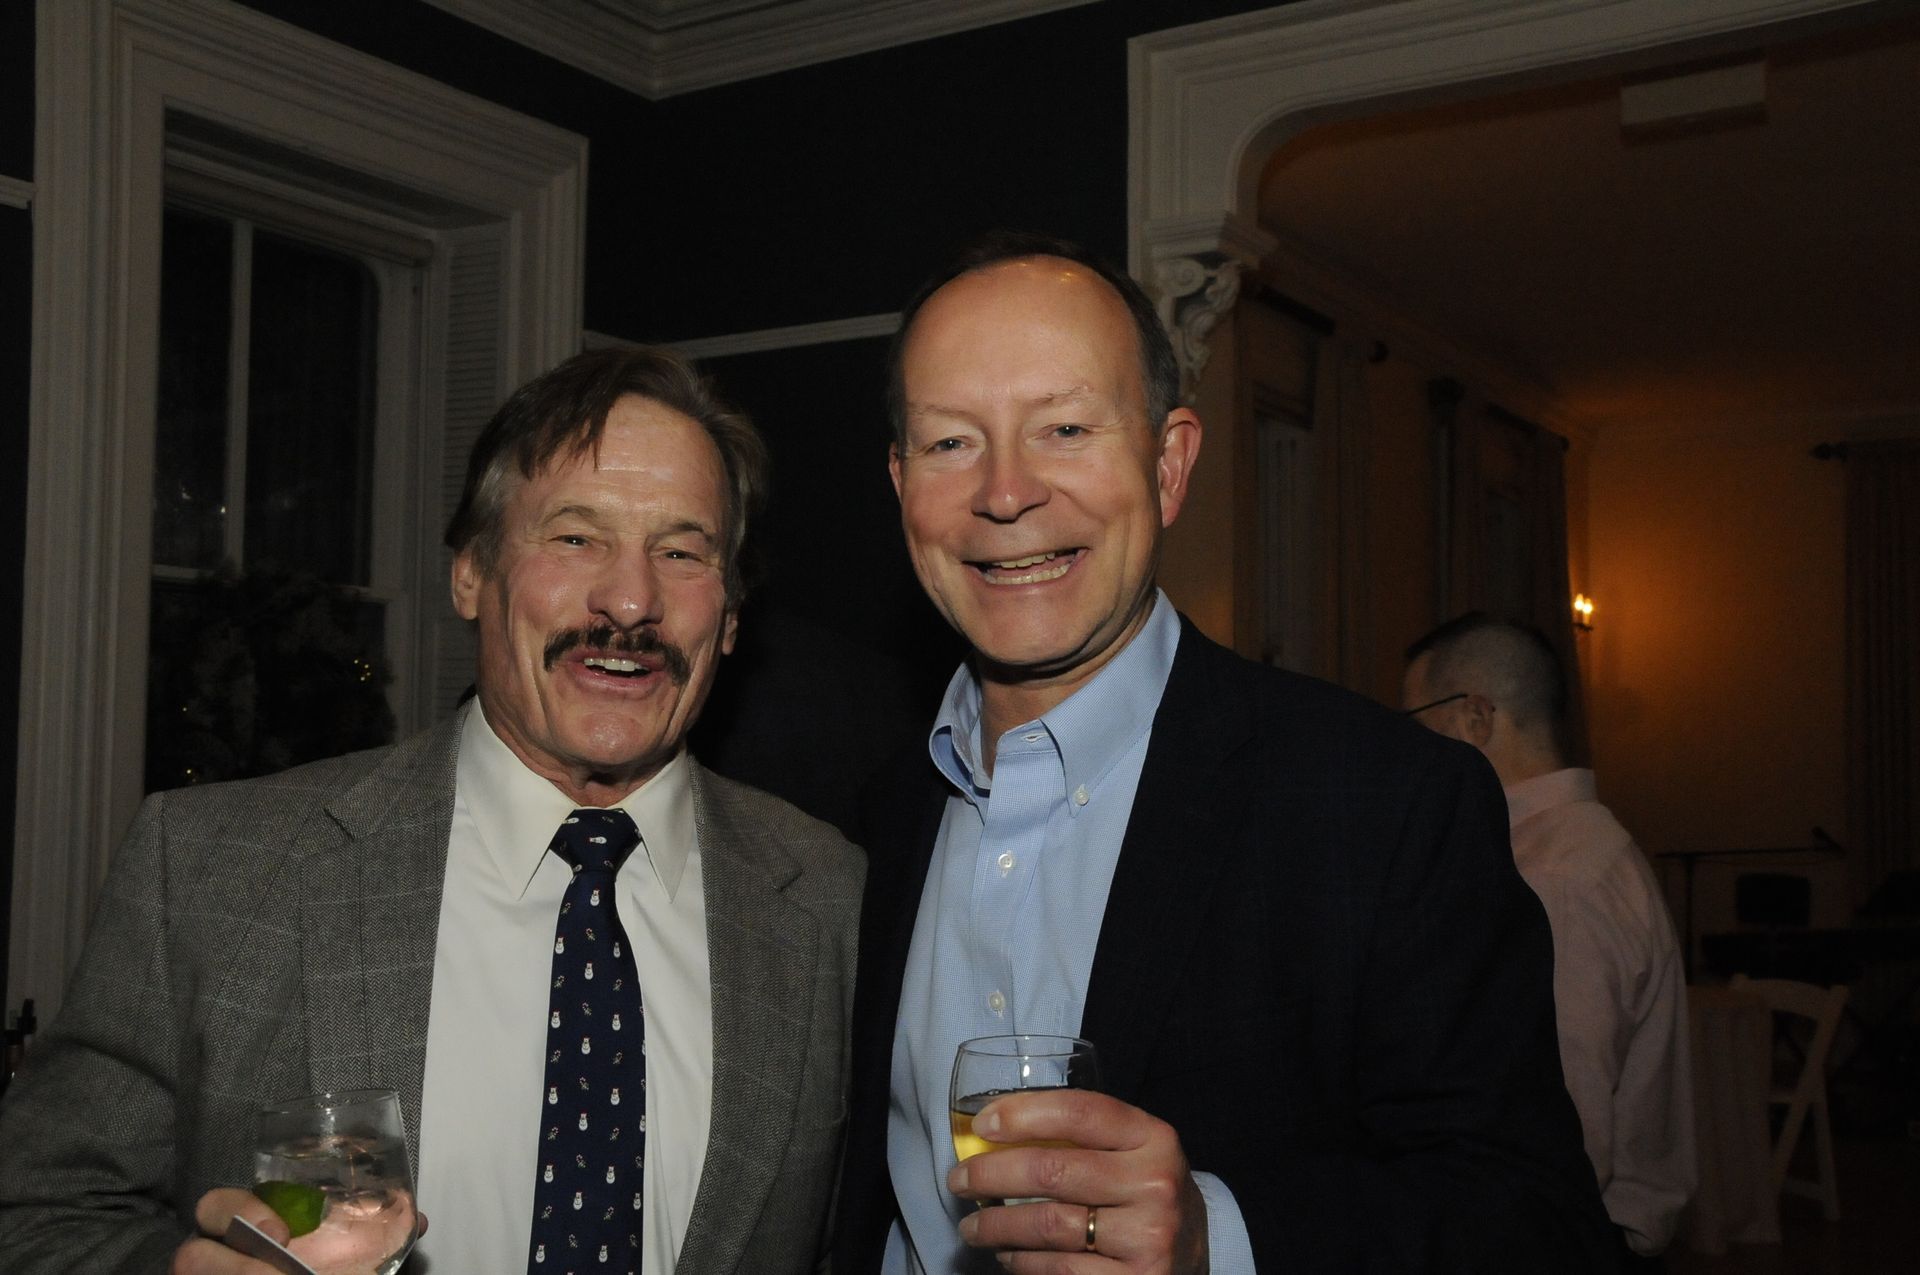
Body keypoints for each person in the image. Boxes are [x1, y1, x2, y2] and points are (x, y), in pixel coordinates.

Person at [834, 232, 1624, 1274]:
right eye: (950, 442)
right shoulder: (872, 816)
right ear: (900, 484)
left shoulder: (1383, 804)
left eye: (1064, 428)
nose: (1007, 491)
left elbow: (1539, 1224)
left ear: (1169, 466)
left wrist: (1224, 1239)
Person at [0, 347, 864, 1275]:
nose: (630, 599)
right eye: (576, 537)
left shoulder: (830, 900)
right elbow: (35, 1216)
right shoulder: (212, 871)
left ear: (729, 616)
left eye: (682, 551)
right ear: (471, 574)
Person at [1403, 614, 1696, 1259]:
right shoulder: (1557, 852)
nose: (1409, 749)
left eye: (1417, 722)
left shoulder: (1556, 879)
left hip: (1566, 1243)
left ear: (1475, 718)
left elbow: (1563, 1127)